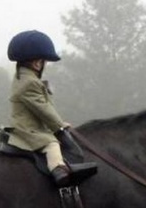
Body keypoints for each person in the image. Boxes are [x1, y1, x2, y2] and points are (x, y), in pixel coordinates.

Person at [6, 30, 97, 187]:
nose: (44, 66)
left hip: (27, 125)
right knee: (52, 144)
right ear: (37, 63)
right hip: (28, 130)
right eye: (44, 62)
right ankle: (60, 172)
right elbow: (45, 110)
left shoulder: (22, 77)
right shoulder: (30, 83)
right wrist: (60, 126)